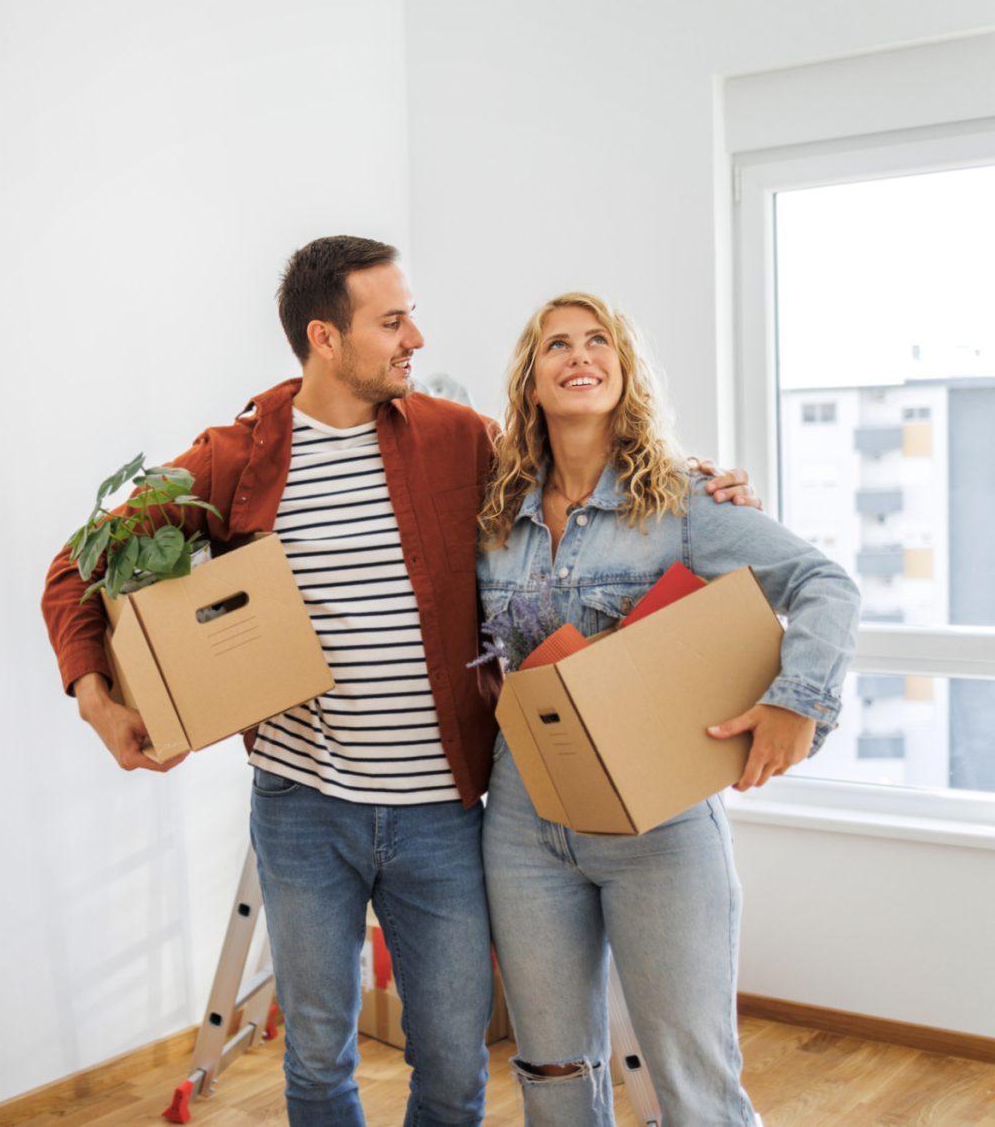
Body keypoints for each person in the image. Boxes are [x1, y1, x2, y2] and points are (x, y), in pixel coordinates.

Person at [41, 240, 754, 1125]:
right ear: (325, 339)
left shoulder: (460, 443)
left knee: (455, 1069)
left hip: (444, 819)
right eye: (391, 321)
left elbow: (581, 478)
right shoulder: (240, 457)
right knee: (314, 1060)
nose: (416, 335)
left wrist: (701, 490)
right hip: (303, 808)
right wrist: (97, 700)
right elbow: (80, 565)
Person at [474, 292, 860, 1126]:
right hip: (523, 821)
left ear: (623, 367)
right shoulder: (494, 514)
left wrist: (797, 704)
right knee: (552, 1071)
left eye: (597, 340)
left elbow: (825, 585)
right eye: (556, 346)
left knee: (693, 1081)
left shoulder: (685, 502)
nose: (579, 355)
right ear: (531, 383)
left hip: (663, 828)